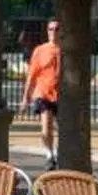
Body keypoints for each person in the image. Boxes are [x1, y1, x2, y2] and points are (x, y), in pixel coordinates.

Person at [19, 19, 61, 170]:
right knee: (46, 127)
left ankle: (57, 151)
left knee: (61, 127)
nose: (53, 32)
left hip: (60, 95)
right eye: (50, 29)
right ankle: (50, 154)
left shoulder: (65, 51)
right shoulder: (40, 50)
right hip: (43, 92)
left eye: (56, 29)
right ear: (47, 31)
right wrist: (26, 98)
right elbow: (31, 75)